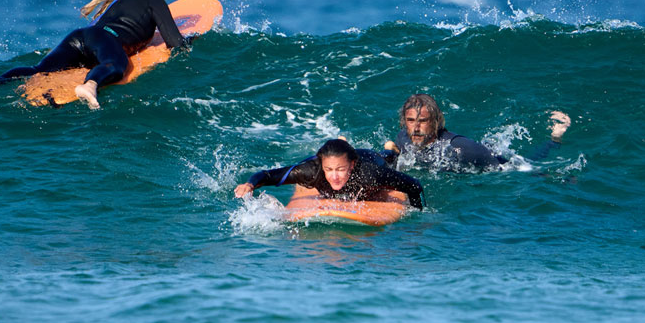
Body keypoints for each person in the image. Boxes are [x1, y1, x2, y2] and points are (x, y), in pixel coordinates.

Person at [0, 0, 189, 109]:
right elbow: (175, 43)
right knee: (115, 65)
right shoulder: (154, 1)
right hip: (106, 40)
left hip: (82, 36)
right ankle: (90, 85)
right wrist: (193, 44)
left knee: (39, 69)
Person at [384, 93, 571, 172]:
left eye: (422, 121)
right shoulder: (403, 137)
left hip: (496, 164)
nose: (415, 128)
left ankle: (554, 139)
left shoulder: (459, 148)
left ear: (436, 122)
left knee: (526, 162)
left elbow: (510, 170)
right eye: (410, 121)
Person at [234, 138, 425, 210]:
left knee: (386, 158)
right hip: (336, 156)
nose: (334, 177)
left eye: (341, 170)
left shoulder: (370, 174)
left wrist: (417, 213)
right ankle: (340, 144)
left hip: (369, 158)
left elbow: (415, 185)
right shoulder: (312, 171)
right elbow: (268, 175)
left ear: (351, 166)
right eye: (329, 170)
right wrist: (250, 185)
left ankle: (391, 148)